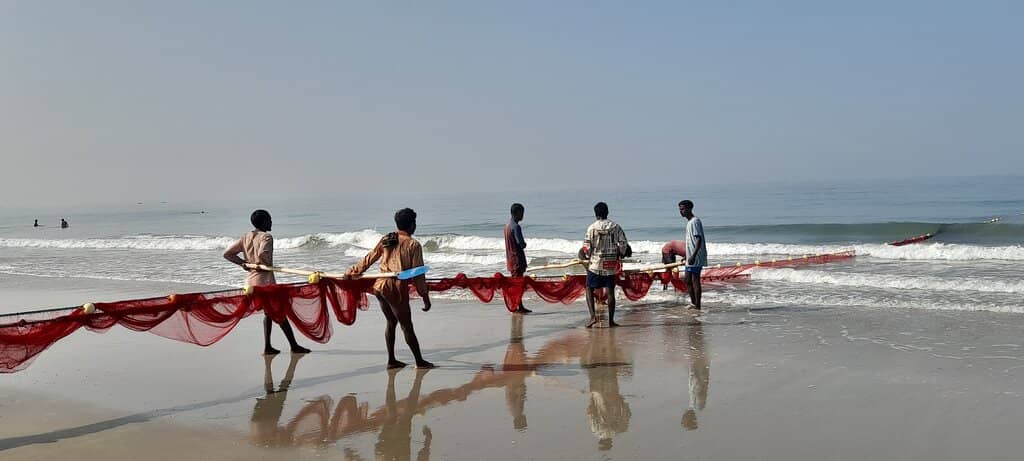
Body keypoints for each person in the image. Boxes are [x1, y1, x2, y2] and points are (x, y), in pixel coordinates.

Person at [347, 208, 435, 369]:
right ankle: (419, 361)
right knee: (406, 326)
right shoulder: (413, 244)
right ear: (411, 225)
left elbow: (369, 258)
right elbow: (418, 274)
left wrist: (353, 272)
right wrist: (425, 296)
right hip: (394, 288)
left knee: (391, 322)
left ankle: (392, 360)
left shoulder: (387, 238)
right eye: (414, 222)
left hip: (380, 286)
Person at [223, 209, 310, 355]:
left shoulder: (245, 237)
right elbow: (263, 253)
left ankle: (268, 347)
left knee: (269, 314)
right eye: (269, 220)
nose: (271, 222)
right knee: (279, 313)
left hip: (251, 283)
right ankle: (294, 346)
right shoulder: (267, 237)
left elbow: (228, 254)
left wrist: (244, 263)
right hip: (265, 283)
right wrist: (260, 263)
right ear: (264, 222)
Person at [579, 202, 628, 328]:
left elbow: (587, 247)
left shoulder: (591, 228)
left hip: (595, 264)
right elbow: (623, 244)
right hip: (610, 264)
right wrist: (620, 254)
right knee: (610, 291)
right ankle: (611, 321)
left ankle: (593, 317)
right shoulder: (616, 226)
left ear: (595, 214)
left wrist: (587, 255)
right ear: (607, 212)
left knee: (589, 289)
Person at [679, 200, 707, 309]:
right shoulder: (689, 222)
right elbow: (691, 241)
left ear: (689, 209)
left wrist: (693, 256)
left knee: (695, 280)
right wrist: (687, 255)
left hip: (696, 256)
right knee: (687, 280)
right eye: (680, 209)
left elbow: (698, 239)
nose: (681, 211)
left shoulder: (695, 221)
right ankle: (693, 302)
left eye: (683, 209)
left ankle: (698, 306)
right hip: (691, 256)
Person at [504, 203, 531, 313]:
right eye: (522, 213)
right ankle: (517, 306)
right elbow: (521, 243)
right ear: (517, 213)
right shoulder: (516, 227)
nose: (523, 215)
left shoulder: (507, 226)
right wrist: (525, 244)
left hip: (510, 259)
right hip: (517, 260)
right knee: (518, 285)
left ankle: (518, 305)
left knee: (516, 284)